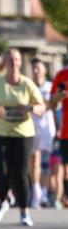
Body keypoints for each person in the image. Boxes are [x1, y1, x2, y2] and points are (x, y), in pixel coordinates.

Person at [0, 48, 45, 227]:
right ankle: (3, 202)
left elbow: (42, 106)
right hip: (1, 132)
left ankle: (24, 212)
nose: (13, 62)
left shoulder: (27, 84)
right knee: (0, 170)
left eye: (16, 59)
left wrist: (30, 109)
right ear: (5, 62)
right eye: (9, 59)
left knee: (20, 173)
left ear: (20, 62)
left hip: (23, 133)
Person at [29, 57, 55, 208]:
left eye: (38, 68)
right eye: (33, 68)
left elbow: (54, 106)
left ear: (45, 70)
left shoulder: (50, 87)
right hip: (32, 128)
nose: (36, 71)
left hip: (47, 130)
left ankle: (44, 193)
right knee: (34, 161)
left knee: (45, 163)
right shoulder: (29, 86)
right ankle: (36, 190)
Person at [49, 59, 68, 208]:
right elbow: (52, 104)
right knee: (65, 168)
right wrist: (58, 97)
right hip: (65, 131)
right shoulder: (61, 75)